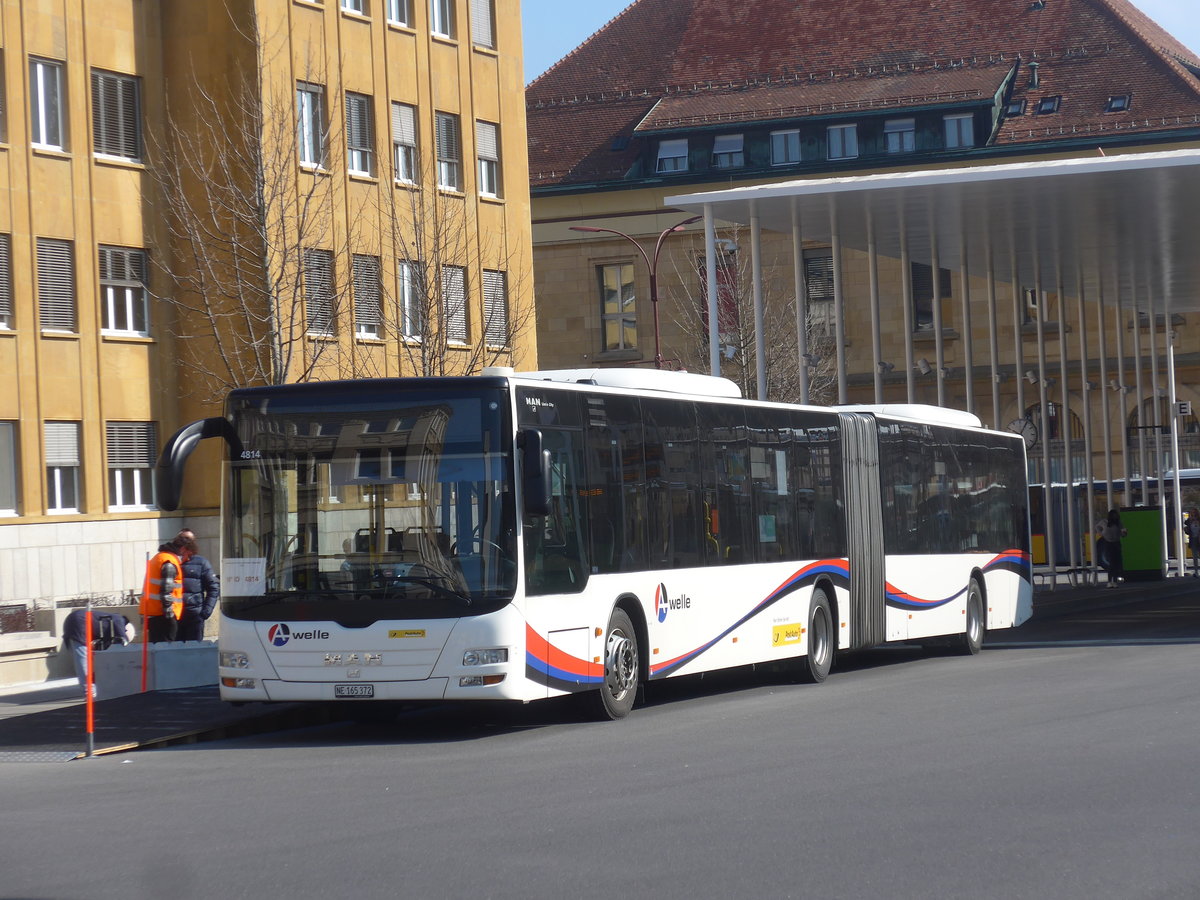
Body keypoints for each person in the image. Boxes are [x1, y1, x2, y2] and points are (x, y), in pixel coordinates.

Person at [62, 608, 134, 696]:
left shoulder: (109, 623)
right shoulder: (119, 619)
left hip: (74, 621)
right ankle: (90, 693)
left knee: (84, 659)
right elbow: (123, 640)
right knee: (83, 660)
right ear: (126, 629)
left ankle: (91, 690)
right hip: (79, 623)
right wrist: (126, 642)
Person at [140, 537, 190, 642]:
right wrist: (170, 617)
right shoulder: (169, 562)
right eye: (188, 555)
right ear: (183, 549)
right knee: (166, 650)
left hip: (153, 613)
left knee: (157, 651)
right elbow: (166, 591)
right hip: (162, 616)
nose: (187, 559)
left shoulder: (159, 558)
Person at [175, 528, 220, 642]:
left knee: (194, 652)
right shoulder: (172, 562)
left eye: (188, 540)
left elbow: (213, 588)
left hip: (194, 617)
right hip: (175, 617)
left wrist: (205, 612)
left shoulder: (202, 563)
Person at [1095, 508, 1127, 588]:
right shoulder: (1104, 522)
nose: (1115, 517)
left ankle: (1114, 581)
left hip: (1116, 543)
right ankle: (1110, 581)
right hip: (1108, 543)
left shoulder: (1119, 523)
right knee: (1112, 562)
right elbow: (1097, 527)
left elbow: (1123, 534)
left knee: (1116, 562)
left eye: (1116, 515)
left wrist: (1124, 533)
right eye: (1114, 515)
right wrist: (1101, 534)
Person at [1185, 508, 1200, 578]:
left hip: (1199, 538)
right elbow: (1188, 531)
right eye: (1192, 513)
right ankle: (1196, 572)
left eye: (1194, 513)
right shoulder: (1189, 521)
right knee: (1195, 556)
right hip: (1193, 539)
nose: (1193, 514)